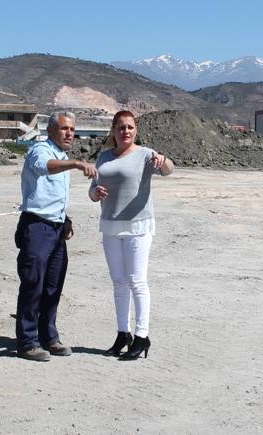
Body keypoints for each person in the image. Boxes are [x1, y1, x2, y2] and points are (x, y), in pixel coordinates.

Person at [88, 110, 174, 360]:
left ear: (135, 130)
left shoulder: (146, 154)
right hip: (111, 226)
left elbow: (169, 170)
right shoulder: (103, 157)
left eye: (130, 127)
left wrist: (163, 159)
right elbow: (92, 190)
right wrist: (96, 194)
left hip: (138, 227)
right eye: (120, 127)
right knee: (118, 283)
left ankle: (142, 336)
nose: (125, 131)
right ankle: (122, 334)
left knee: (137, 281)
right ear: (113, 131)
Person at [15, 111, 97, 362]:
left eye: (72, 129)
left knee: (53, 285)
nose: (69, 133)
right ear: (51, 130)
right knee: (33, 283)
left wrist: (65, 219)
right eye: (63, 129)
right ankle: (28, 341)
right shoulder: (41, 150)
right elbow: (44, 168)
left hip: (56, 227)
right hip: (37, 227)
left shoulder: (61, 156)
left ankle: (48, 335)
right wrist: (76, 163)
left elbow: (52, 195)